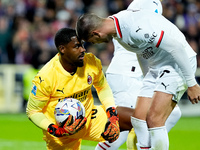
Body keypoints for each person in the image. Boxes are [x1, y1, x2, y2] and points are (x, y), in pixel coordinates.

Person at [76, 6, 200, 150]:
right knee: (138, 119)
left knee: (154, 119)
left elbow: (176, 47)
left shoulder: (134, 28)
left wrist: (192, 83)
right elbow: (143, 54)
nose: (96, 44)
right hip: (156, 67)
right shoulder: (118, 33)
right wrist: (148, 80)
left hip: (176, 63)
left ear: (95, 33)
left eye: (92, 41)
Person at [26, 28, 135, 150]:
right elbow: (33, 111)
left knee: (138, 119)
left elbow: (102, 87)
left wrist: (112, 114)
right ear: (62, 49)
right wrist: (55, 130)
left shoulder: (91, 62)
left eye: (82, 45)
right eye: (77, 46)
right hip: (62, 132)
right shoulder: (46, 77)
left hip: (90, 119)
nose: (83, 49)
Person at [95, 0, 181, 150]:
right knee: (127, 125)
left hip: (133, 74)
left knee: (169, 114)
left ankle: (142, 143)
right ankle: (143, 144)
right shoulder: (142, 15)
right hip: (126, 76)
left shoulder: (126, 17)